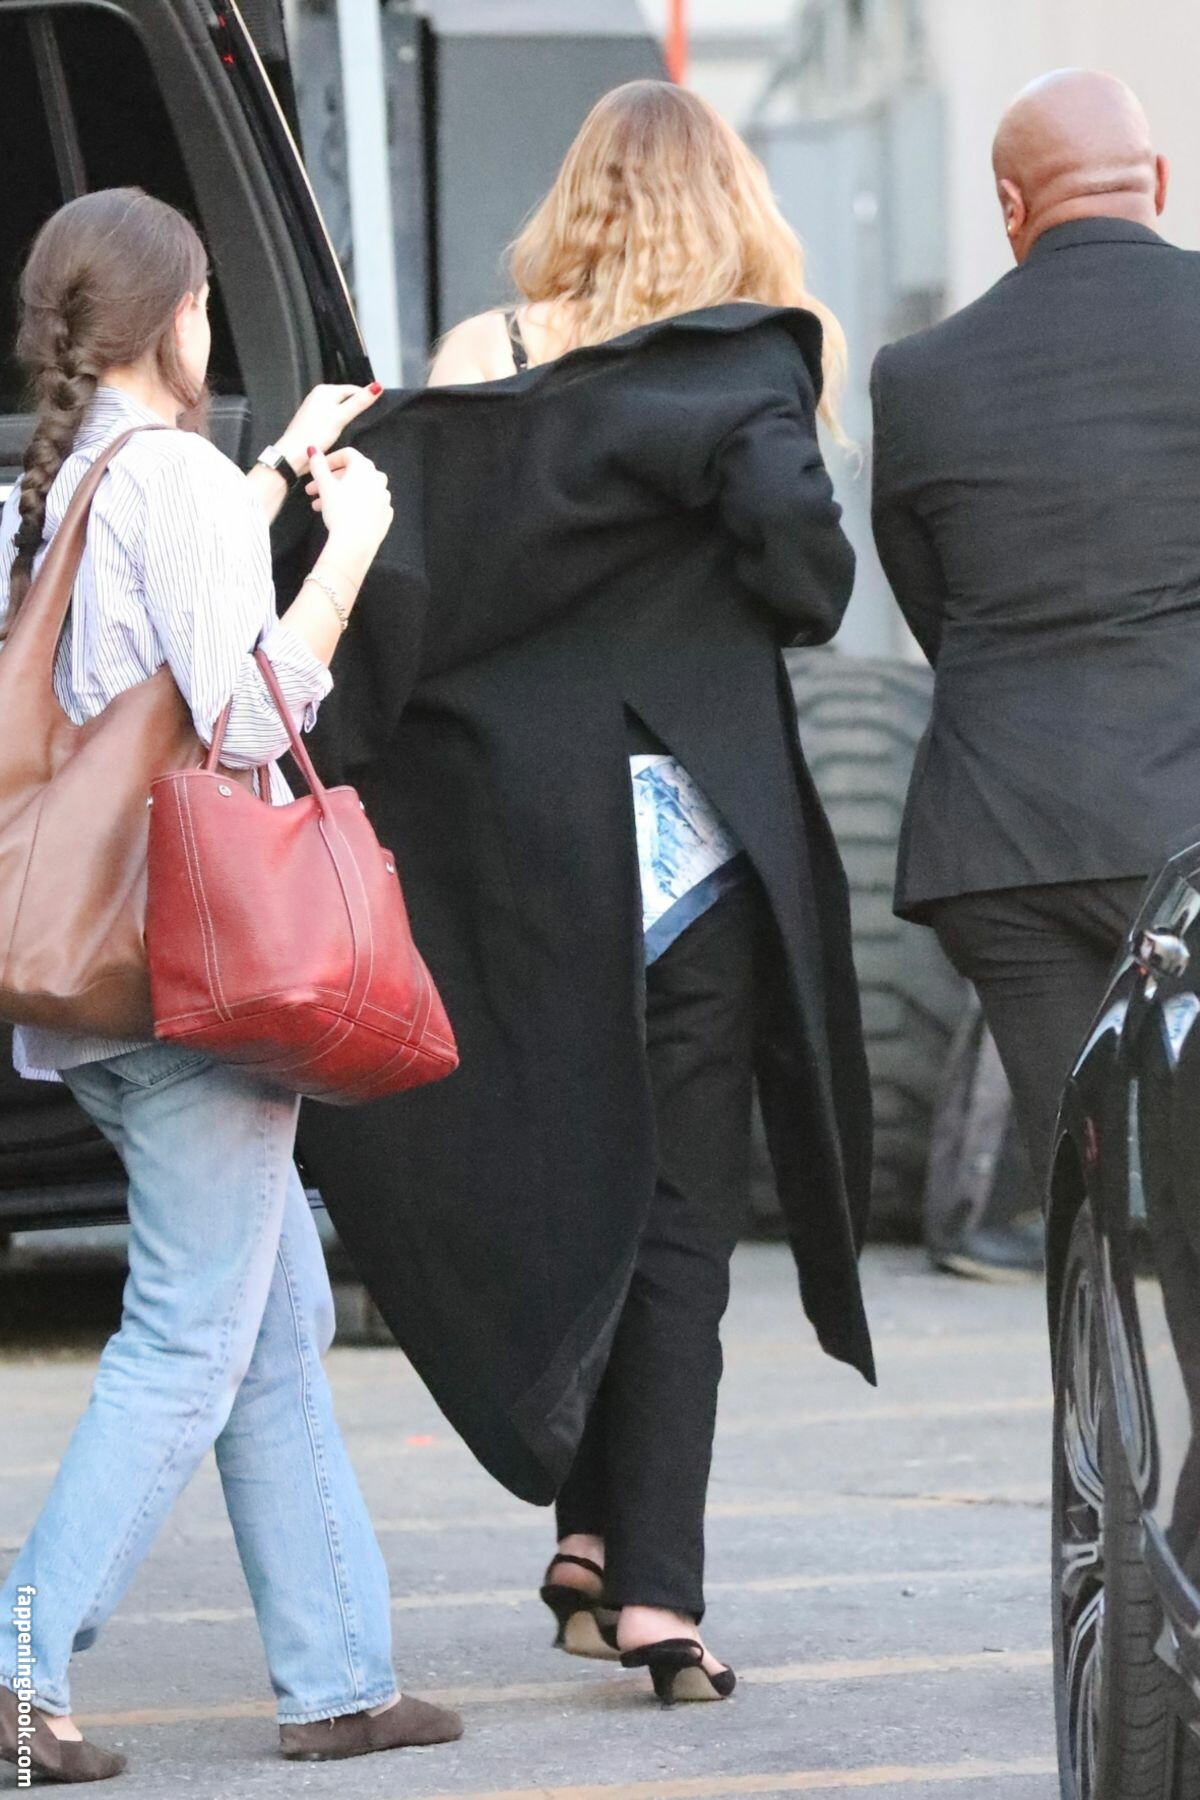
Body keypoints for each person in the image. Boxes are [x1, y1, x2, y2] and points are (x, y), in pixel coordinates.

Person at [299, 79, 875, 1706]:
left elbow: (410, 579)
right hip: (687, 852)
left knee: (570, 1163)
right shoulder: (748, 366)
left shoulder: (484, 357)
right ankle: (658, 1600)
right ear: (732, 209)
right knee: (680, 1208)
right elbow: (810, 575)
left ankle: (586, 1534)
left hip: (516, 850)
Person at [0, 188, 462, 1783]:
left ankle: (337, 1677)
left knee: (267, 1327)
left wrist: (265, 484)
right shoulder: (176, 480)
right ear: (183, 315)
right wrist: (350, 547)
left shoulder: (54, 491)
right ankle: (17, 1665)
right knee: (192, 1333)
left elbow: (141, 656)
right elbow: (249, 716)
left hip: (90, 970)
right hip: (193, 973)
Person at [871, 69, 1200, 1250]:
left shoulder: (920, 374)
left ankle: (1093, 1373)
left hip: (1003, 845)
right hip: (1185, 829)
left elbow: (934, 607)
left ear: (1012, 205)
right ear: (1156, 180)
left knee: (1087, 1201)